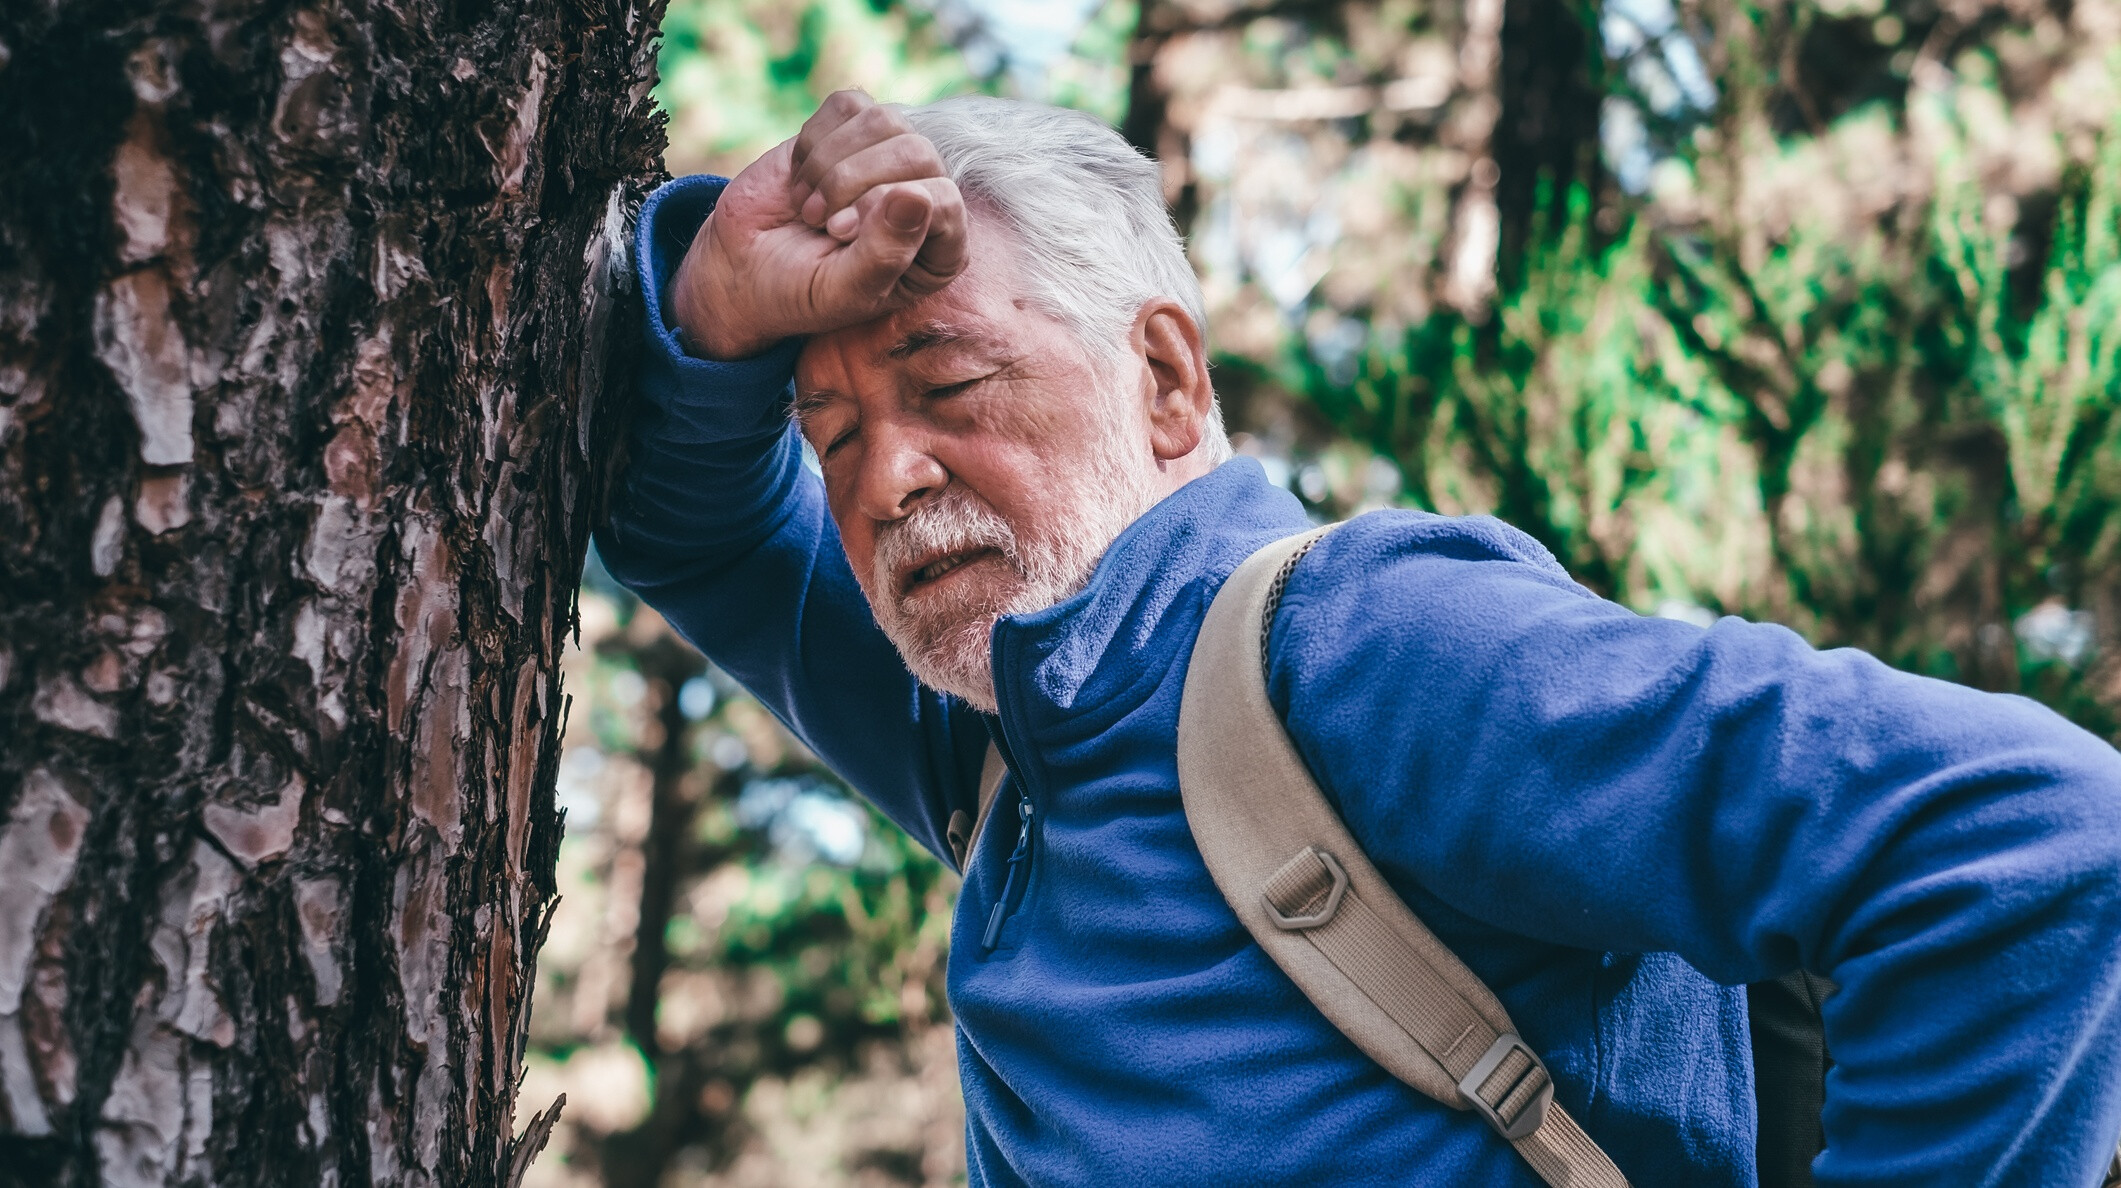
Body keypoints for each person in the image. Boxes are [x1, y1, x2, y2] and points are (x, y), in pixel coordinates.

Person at [595, 90, 2121, 1186]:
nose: (885, 480)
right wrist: (714, 302)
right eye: (832, 431)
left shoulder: (1361, 647)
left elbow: (2026, 839)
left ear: (1168, 385)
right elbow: (695, 528)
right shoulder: (1006, 740)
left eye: (946, 382)